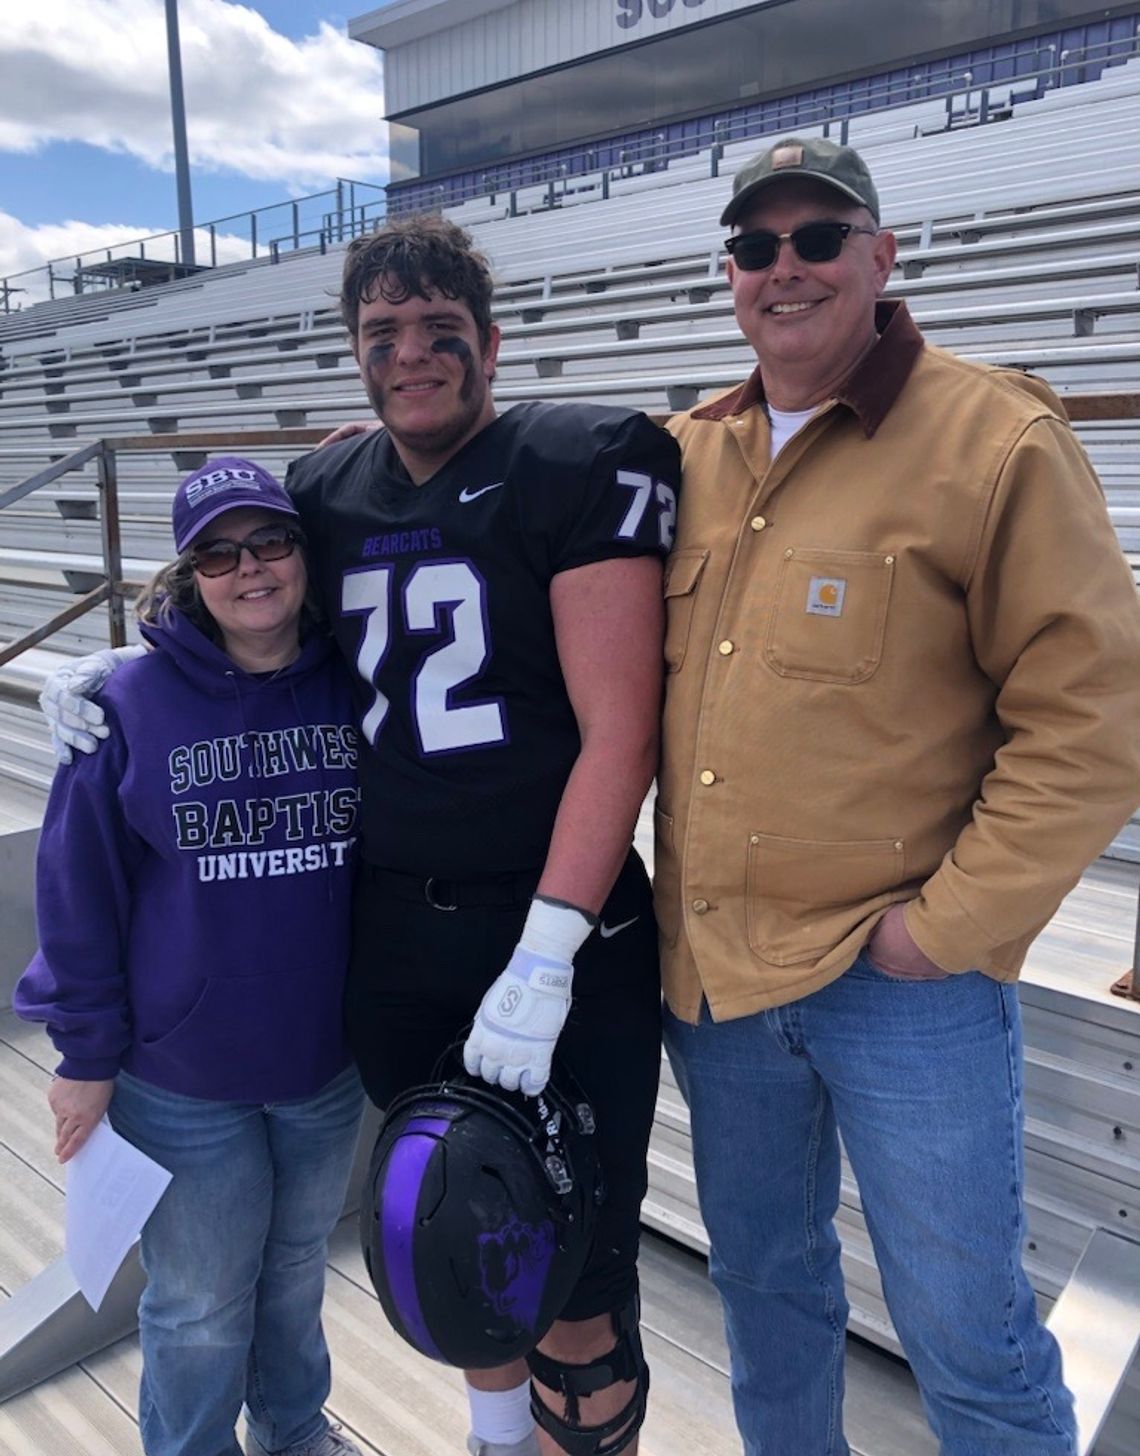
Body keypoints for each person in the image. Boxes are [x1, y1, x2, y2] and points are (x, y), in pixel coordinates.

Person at [41, 216, 681, 1456]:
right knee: (458, 1231)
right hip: (401, 932)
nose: (413, 352)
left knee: (582, 1271)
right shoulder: (332, 487)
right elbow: (235, 588)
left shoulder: (575, 457)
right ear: (356, 355)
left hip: (555, 921)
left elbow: (622, 734)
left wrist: (547, 957)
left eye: (442, 328)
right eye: (383, 332)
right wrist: (135, 662)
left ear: (493, 343)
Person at [656, 136, 1140, 1454]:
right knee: (768, 1301)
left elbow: (1093, 716)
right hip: (722, 986)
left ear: (883, 255)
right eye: (756, 247)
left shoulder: (996, 439)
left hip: (902, 986)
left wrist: (946, 928)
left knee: (967, 1334)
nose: (786, 267)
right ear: (733, 277)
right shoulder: (689, 453)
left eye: (820, 238)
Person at [16, 457, 366, 1456]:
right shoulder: (127, 705)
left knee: (296, 1271)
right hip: (183, 1075)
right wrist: (84, 1055)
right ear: (187, 572)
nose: (247, 567)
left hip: (321, 1063)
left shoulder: (356, 680)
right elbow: (75, 892)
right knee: (201, 1300)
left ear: (304, 553)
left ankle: (294, 1428)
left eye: (270, 541)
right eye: (217, 550)